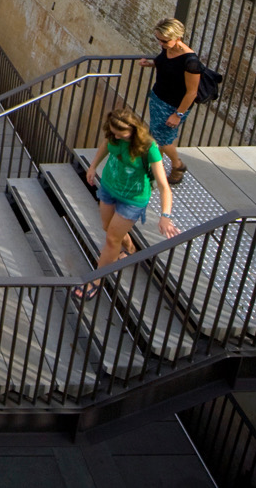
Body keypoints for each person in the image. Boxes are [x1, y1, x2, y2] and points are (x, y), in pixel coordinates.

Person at [74, 107, 179, 300]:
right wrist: (93, 165)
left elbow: (164, 187)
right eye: (114, 133)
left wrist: (166, 216)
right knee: (107, 228)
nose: (117, 137)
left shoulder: (149, 148)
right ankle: (130, 249)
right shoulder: (114, 136)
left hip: (132, 200)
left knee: (112, 240)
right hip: (109, 188)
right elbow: (106, 144)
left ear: (133, 130)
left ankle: (96, 280)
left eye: (121, 134)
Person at [137, 17, 202, 185]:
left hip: (174, 105)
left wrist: (178, 114)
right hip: (158, 98)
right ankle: (155, 166)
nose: (161, 43)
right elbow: (167, 66)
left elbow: (192, 92)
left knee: (163, 140)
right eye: (158, 39)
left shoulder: (191, 62)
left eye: (164, 40)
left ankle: (177, 165)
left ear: (177, 37)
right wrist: (151, 64)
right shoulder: (168, 49)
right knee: (160, 135)